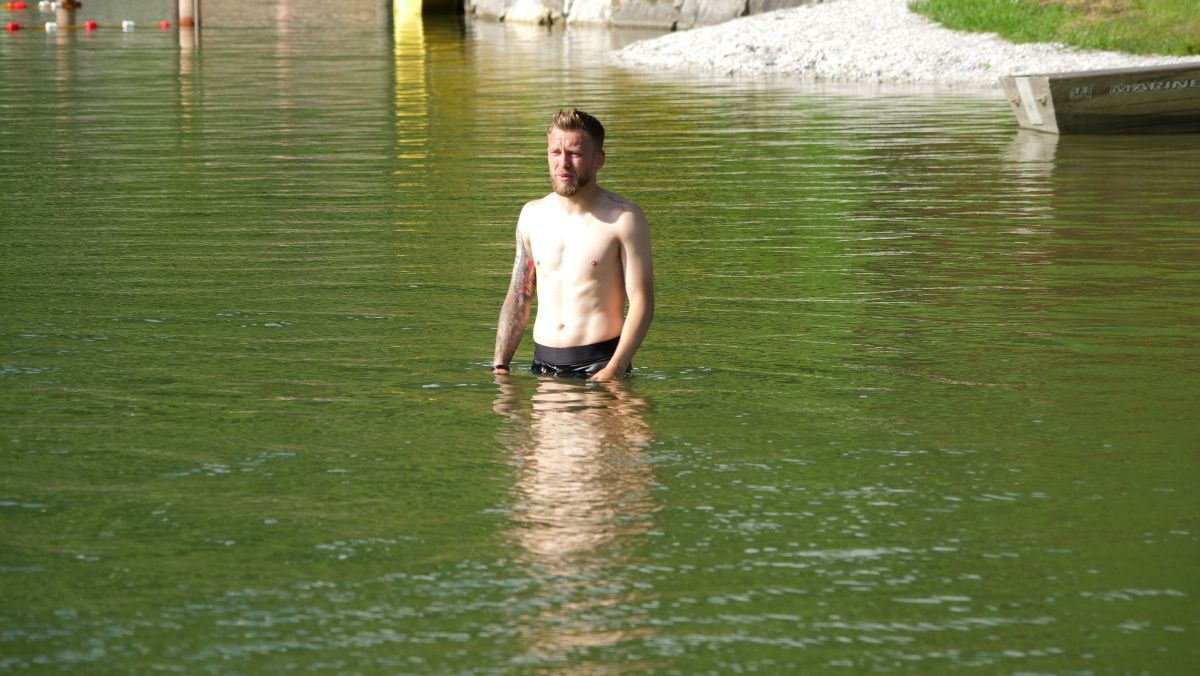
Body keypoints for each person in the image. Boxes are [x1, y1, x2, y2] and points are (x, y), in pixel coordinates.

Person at [491, 109, 654, 380]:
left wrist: (614, 369)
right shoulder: (532, 215)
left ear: (598, 159)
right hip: (543, 366)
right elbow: (520, 294)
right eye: (556, 152)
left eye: (575, 154)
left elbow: (642, 301)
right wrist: (500, 365)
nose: (563, 163)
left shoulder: (624, 219)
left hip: (600, 365)